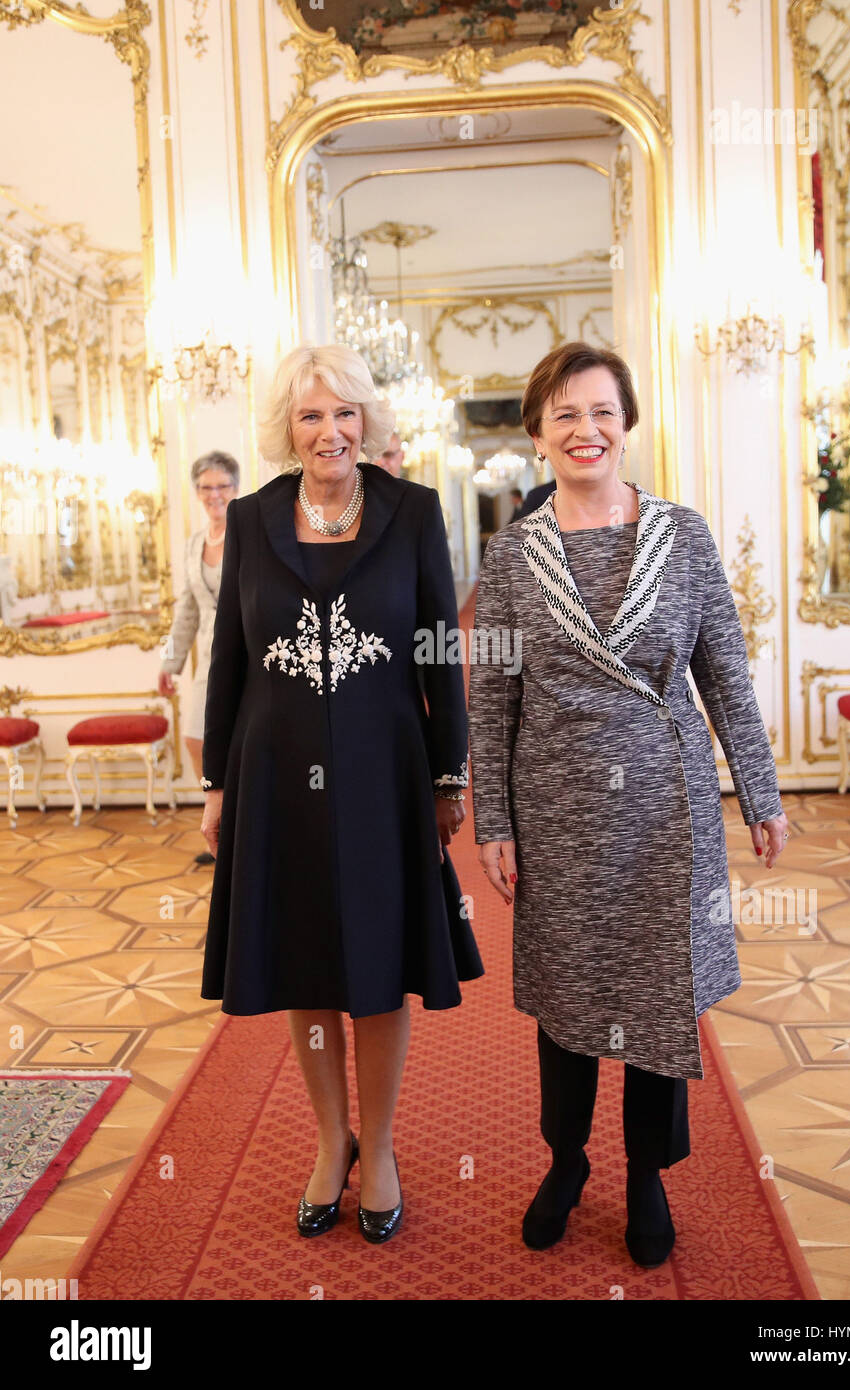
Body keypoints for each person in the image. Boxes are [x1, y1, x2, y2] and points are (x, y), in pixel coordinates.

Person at [468, 341, 789, 1269]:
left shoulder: (681, 536)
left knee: (657, 995)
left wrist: (758, 790)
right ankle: (565, 1162)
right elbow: (493, 701)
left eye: (601, 410)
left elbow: (722, 672)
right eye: (563, 413)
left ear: (628, 423)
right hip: (558, 801)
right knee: (568, 997)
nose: (585, 429)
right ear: (536, 435)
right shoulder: (513, 554)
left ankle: (645, 1171)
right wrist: (495, 818)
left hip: (663, 801)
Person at [199, 344, 482, 1245]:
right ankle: (332, 1140)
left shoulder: (412, 512)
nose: (330, 431)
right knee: (302, 959)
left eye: (345, 413)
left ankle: (385, 1145)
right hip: (274, 773)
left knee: (378, 964)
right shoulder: (250, 519)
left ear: (369, 422)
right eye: (311, 415)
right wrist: (214, 785)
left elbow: (439, 649)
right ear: (288, 427)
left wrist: (448, 775)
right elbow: (229, 660)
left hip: (383, 774)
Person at [158, 450, 239, 865]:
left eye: (222, 485)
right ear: (197, 492)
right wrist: (169, 662)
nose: (214, 494)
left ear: (236, 488)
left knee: (240, 744)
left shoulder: (248, 532)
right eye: (206, 487)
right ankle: (219, 822)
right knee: (196, 739)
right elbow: (185, 611)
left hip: (245, 654)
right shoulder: (192, 545)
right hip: (208, 657)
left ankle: (244, 830)